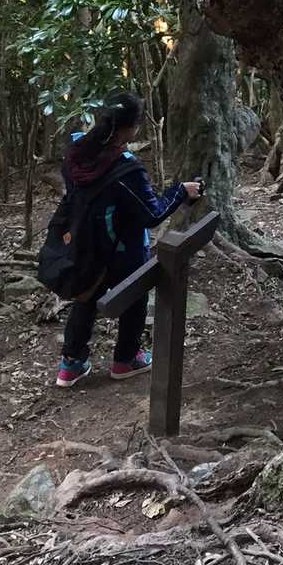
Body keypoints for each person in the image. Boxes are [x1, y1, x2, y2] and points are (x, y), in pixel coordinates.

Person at [55, 91, 202, 388]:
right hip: (123, 248)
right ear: (131, 127)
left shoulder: (75, 153)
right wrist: (181, 191)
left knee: (86, 297)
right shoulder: (126, 167)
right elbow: (151, 213)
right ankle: (126, 359)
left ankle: (70, 364)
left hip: (85, 244)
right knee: (135, 294)